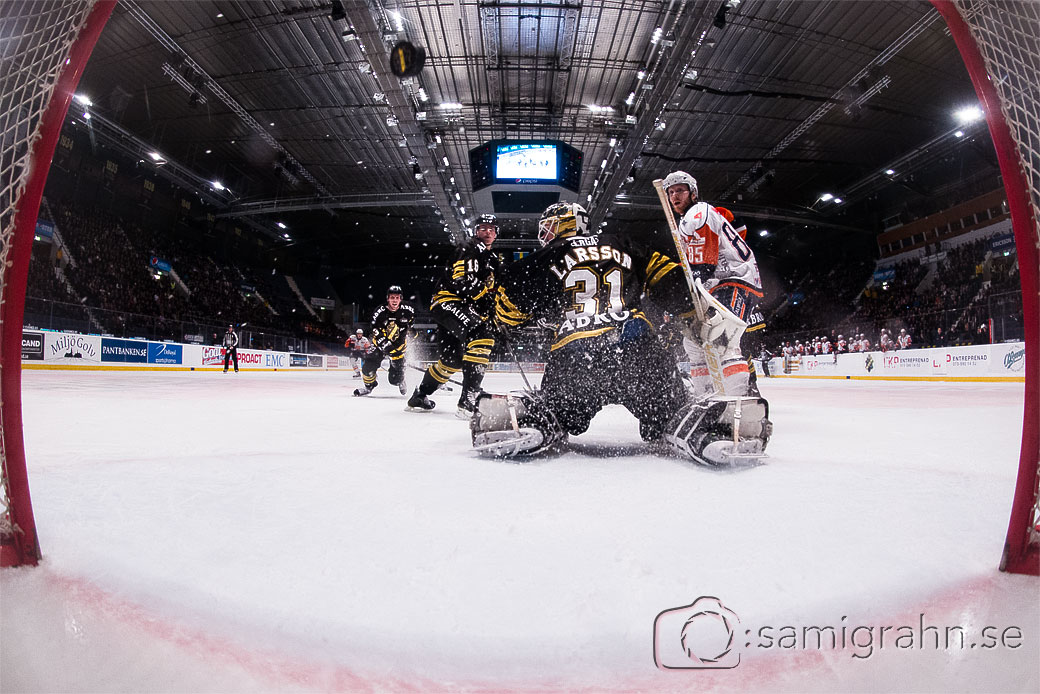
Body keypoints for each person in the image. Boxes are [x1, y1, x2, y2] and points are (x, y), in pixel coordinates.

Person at [471, 201, 771, 467]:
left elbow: (510, 308)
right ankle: (706, 427)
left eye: (549, 227)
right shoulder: (624, 243)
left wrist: (509, 313)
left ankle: (531, 419)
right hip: (637, 351)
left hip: (576, 360)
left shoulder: (549, 254)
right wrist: (693, 314)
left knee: (560, 414)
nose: (545, 234)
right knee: (668, 412)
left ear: (565, 223)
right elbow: (672, 283)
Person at [663, 171, 764, 397]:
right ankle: (706, 398)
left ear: (693, 192)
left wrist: (690, 283)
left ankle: (740, 400)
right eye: (671, 192)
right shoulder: (686, 222)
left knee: (723, 339)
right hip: (717, 284)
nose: (675, 196)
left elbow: (704, 265)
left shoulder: (699, 211)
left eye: (680, 190)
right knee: (694, 344)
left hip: (735, 279)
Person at [408, 214, 501, 416]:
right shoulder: (469, 248)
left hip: (461, 307)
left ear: (496, 234)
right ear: (476, 231)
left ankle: (419, 396)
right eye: (483, 228)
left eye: (491, 229)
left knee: (451, 360)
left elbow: (494, 290)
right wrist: (486, 303)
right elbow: (463, 280)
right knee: (482, 335)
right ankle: (468, 400)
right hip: (448, 302)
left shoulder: (492, 258)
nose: (487, 232)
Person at [354, 285, 415, 397]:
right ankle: (369, 386)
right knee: (367, 368)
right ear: (388, 298)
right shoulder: (379, 312)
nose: (394, 300)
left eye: (397, 298)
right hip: (380, 346)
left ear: (400, 298)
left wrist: (397, 348)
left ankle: (400, 379)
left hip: (398, 348)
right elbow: (375, 330)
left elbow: (408, 328)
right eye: (392, 297)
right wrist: (384, 344)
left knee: (394, 380)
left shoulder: (408, 310)